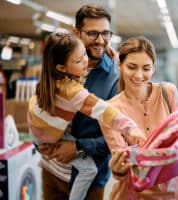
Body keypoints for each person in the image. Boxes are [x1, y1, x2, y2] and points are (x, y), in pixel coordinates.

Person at [28, 32, 145, 200]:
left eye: (84, 53)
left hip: (39, 129)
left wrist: (110, 55)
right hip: (48, 138)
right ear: (61, 67)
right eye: (78, 60)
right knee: (89, 169)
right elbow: (105, 111)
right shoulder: (73, 92)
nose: (85, 60)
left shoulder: (49, 79)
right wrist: (130, 128)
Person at [36, 5, 120, 200]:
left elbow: (117, 136)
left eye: (105, 33)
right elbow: (41, 106)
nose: (100, 40)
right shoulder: (58, 64)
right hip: (52, 172)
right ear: (76, 32)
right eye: (92, 33)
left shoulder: (115, 78)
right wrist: (39, 142)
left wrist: (79, 148)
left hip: (89, 181)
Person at [100, 36, 178, 199]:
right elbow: (122, 163)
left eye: (146, 68)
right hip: (132, 195)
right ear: (120, 65)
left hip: (172, 194)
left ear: (153, 68)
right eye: (132, 67)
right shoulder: (110, 110)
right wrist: (118, 169)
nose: (139, 75)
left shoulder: (168, 93)